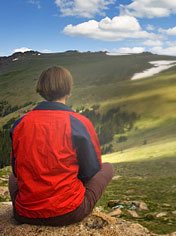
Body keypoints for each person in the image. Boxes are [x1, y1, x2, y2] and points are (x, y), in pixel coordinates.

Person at [7, 66, 114, 226]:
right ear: (68, 90)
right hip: (68, 213)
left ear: (41, 89)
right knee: (107, 168)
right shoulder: (79, 122)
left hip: (24, 214)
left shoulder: (20, 123)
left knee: (12, 177)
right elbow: (90, 171)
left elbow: (17, 170)